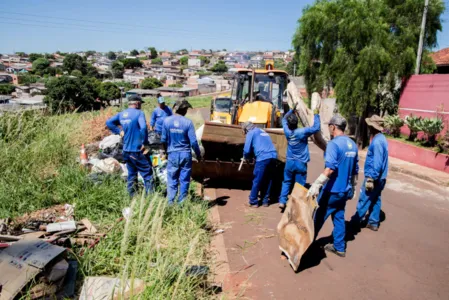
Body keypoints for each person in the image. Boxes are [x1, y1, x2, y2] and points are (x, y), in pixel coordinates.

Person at [307, 114, 358, 257]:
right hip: (344, 190)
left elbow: (330, 169)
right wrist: (353, 187)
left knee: (318, 217)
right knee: (339, 216)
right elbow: (355, 169)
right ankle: (340, 247)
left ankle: (306, 245)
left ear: (333, 127)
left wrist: (316, 184)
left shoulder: (333, 144)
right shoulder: (352, 144)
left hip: (332, 190)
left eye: (329, 126)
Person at [106, 95, 153, 197]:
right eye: (140, 104)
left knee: (132, 174)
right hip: (136, 150)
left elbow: (109, 122)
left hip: (126, 151)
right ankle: (150, 198)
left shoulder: (122, 114)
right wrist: (144, 143)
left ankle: (131, 197)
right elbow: (144, 128)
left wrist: (119, 131)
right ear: (137, 103)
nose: (141, 106)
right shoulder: (139, 113)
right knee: (147, 174)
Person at [278, 104, 321, 209]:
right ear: (297, 123)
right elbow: (316, 127)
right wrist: (316, 114)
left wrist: (291, 110)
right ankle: (296, 204)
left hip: (290, 162)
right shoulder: (303, 132)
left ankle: (282, 201)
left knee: (287, 181)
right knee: (299, 185)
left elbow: (283, 119)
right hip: (300, 162)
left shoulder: (287, 132)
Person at [350, 115, 388, 231]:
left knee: (365, 198)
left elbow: (377, 162)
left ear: (373, 127)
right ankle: (373, 222)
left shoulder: (377, 142)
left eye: (370, 126)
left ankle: (355, 222)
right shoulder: (381, 139)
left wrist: (371, 178)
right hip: (381, 177)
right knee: (376, 199)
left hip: (374, 177)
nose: (369, 128)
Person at [161, 99, 201, 204]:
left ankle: (170, 203)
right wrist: (198, 155)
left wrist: (166, 152)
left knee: (172, 180)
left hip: (172, 154)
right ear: (184, 110)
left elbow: (163, 140)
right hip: (185, 155)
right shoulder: (188, 123)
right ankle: (181, 204)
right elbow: (193, 142)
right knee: (184, 180)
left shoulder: (167, 121)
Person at [242, 122, 278, 208]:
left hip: (263, 157)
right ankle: (265, 201)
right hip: (273, 156)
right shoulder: (263, 131)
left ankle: (253, 201)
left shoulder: (251, 133)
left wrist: (246, 157)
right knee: (268, 179)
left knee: (257, 179)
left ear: (246, 129)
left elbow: (247, 150)